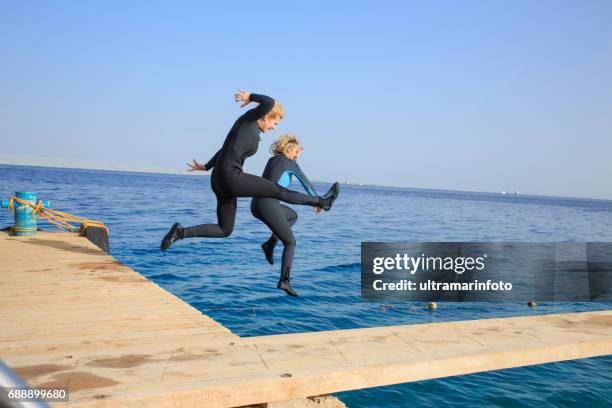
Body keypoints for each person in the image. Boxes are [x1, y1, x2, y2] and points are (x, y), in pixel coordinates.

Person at [161, 90, 339, 251]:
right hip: (231, 176)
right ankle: (322, 202)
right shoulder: (248, 120)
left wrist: (206, 166)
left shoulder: (250, 131)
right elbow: (269, 101)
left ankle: (180, 233)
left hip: (220, 179)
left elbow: (226, 148)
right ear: (267, 116)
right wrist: (250, 97)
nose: (274, 128)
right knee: (277, 191)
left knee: (225, 229)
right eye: (275, 123)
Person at [251, 135, 338, 297]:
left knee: (291, 215)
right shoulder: (288, 162)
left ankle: (270, 244)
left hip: (257, 204)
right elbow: (305, 181)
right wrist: (317, 202)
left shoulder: (272, 160)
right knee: (290, 242)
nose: (297, 156)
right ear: (289, 149)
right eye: (296, 152)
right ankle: (284, 281)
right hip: (267, 204)